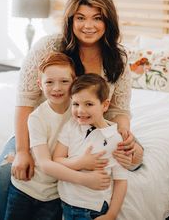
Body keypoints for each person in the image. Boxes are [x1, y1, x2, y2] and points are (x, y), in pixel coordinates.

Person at [0, 0, 143, 220]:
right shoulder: (48, 47)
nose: (88, 25)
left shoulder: (117, 57)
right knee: (5, 173)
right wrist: (22, 151)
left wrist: (124, 133)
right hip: (45, 129)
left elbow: (119, 109)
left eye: (97, 18)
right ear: (70, 20)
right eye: (80, 18)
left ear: (108, 21)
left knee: (135, 159)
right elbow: (25, 102)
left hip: (91, 130)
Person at [4, 52, 111, 220]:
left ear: (74, 81)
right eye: (49, 82)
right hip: (26, 188)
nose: (57, 88)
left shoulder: (79, 111)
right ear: (40, 84)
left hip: (54, 196)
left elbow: (103, 124)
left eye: (64, 81)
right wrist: (84, 178)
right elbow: (45, 164)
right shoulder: (36, 118)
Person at [53, 73, 128, 220]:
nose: (80, 110)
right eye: (76, 104)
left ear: (105, 105)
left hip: (92, 208)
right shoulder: (71, 126)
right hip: (66, 203)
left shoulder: (115, 139)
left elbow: (121, 181)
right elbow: (57, 159)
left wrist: (111, 214)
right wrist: (80, 163)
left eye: (89, 104)